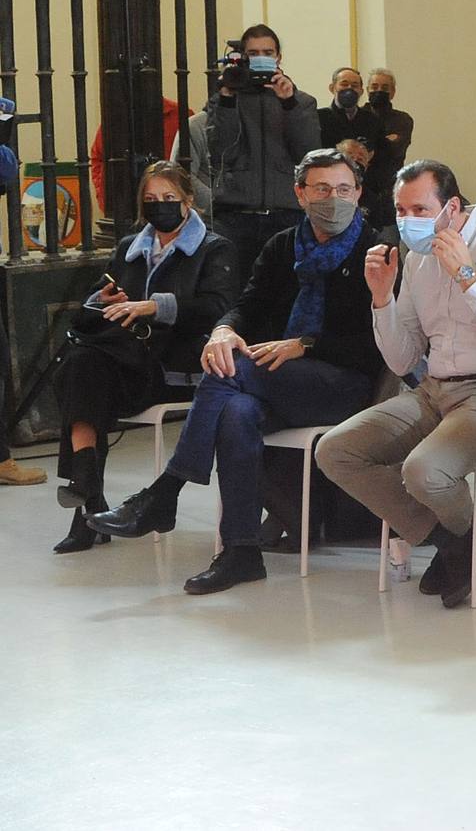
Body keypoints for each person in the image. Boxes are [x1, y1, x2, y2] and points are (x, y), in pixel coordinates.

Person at [87, 150, 390, 591]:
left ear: (359, 192)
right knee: (235, 413)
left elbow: (376, 340)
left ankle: (166, 491)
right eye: (322, 189)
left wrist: (304, 345)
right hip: (276, 380)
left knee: (231, 374)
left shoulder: (376, 250)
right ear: (300, 195)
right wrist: (223, 331)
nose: (334, 199)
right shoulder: (282, 245)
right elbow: (247, 306)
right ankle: (242, 551)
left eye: (344, 189)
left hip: (343, 382)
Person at [314, 160, 476, 609]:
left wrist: (467, 276)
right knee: (336, 450)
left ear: (452, 206)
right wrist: (381, 297)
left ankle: (462, 542)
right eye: (401, 210)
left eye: (420, 209)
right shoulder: (417, 258)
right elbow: (403, 358)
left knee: (423, 470)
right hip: (435, 389)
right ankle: (458, 541)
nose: (408, 220)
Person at [49, 163, 241, 554]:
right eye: (151, 200)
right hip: (120, 363)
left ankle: (87, 499)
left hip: (172, 365)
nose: (160, 206)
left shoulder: (214, 248)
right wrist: (102, 302)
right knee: (82, 366)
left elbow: (217, 307)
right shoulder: (128, 248)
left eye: (169, 199)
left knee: (82, 371)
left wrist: (152, 306)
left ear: (188, 201)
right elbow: (89, 310)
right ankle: (86, 492)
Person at [207, 24, 320, 285]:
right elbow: (220, 151)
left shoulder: (301, 101)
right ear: (243, 56)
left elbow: (307, 154)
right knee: (233, 289)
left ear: (279, 57)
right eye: (254, 52)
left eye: (267, 52)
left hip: (285, 213)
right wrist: (227, 98)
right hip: (235, 215)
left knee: (283, 289)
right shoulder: (225, 98)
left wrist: (288, 103)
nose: (261, 58)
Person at [365, 68, 413, 224]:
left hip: (390, 191)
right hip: (362, 190)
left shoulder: (403, 120)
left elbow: (395, 151)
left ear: (393, 92)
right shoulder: (359, 116)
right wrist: (386, 140)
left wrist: (370, 147)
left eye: (385, 88)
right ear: (367, 90)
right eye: (375, 87)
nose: (379, 91)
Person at [316, 68, 384, 167]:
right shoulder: (319, 118)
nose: (349, 88)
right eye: (344, 84)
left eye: (354, 85)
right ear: (332, 88)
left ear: (361, 91)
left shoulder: (372, 121)